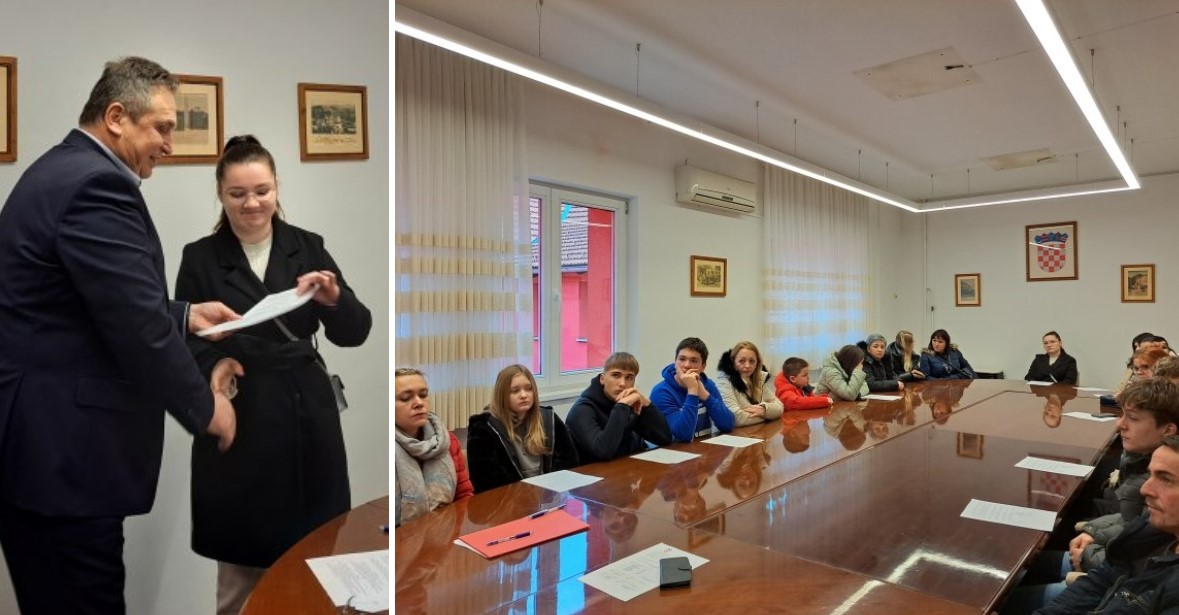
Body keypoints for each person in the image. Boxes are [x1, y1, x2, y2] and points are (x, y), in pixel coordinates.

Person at [0, 57, 241, 615]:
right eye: (162, 128)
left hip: (38, 447)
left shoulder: (59, 168)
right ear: (116, 117)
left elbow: (84, 300)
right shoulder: (97, 185)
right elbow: (135, 326)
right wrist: (206, 406)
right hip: (62, 457)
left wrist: (184, 315)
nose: (169, 145)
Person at [174, 134, 372, 614]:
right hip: (239, 414)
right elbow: (182, 339)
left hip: (307, 415)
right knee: (241, 578)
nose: (252, 204)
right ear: (220, 194)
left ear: (277, 187)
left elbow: (355, 331)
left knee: (317, 563)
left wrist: (335, 299)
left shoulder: (307, 246)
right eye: (238, 193)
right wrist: (216, 365)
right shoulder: (200, 256)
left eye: (262, 191)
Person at [1005, 379, 1179, 614]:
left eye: (1166, 479)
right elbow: (1111, 571)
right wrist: (1093, 531)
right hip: (1105, 576)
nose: (1120, 424)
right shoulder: (1158, 527)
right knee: (1016, 565)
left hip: (1098, 568)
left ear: (1168, 430)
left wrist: (1089, 553)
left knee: (1012, 590)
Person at [1031, 434, 1179, 615]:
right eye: (1151, 475)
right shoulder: (1156, 530)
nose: (1145, 489)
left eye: (1166, 479)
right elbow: (1104, 577)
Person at [467, 365, 579, 493]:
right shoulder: (483, 428)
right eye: (515, 391)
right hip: (508, 499)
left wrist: (548, 491)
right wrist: (529, 494)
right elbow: (486, 481)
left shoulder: (549, 419)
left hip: (548, 495)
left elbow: (569, 462)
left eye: (529, 389)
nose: (524, 395)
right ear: (502, 395)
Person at [394, 368, 473, 528]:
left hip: (446, 531)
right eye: (406, 398)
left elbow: (464, 497)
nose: (419, 403)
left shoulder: (447, 440)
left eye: (423, 395)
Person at [565, 352, 673, 462]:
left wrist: (647, 405)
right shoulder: (582, 409)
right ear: (602, 379)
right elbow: (602, 451)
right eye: (616, 375)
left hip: (628, 467)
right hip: (593, 471)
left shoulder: (631, 404)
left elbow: (664, 439)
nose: (622, 383)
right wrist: (621, 406)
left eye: (629, 377)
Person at [651, 337, 736, 442]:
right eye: (682, 359)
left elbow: (728, 425)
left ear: (703, 366)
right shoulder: (661, 393)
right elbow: (683, 435)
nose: (686, 365)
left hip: (703, 449)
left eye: (694, 361)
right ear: (675, 362)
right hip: (674, 450)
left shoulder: (707, 385)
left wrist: (704, 395)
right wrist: (692, 391)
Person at [714, 341, 785, 426]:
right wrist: (767, 415)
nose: (747, 366)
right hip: (730, 433)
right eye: (741, 361)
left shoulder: (759, 380)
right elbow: (735, 417)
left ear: (757, 363)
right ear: (733, 363)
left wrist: (764, 409)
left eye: (752, 361)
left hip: (754, 431)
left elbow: (780, 407)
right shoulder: (724, 381)